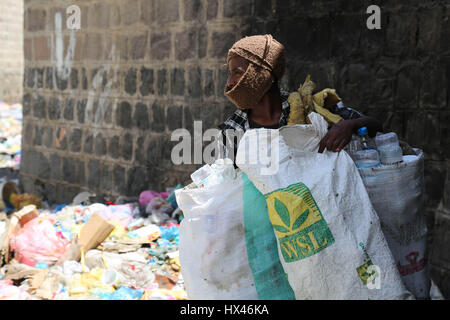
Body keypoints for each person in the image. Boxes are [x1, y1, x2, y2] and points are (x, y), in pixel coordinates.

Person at [217, 34, 382, 160]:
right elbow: (225, 188)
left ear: (264, 74)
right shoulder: (232, 131)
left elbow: (377, 127)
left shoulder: (307, 108)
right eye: (230, 73)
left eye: (237, 73)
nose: (230, 82)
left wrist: (349, 125)